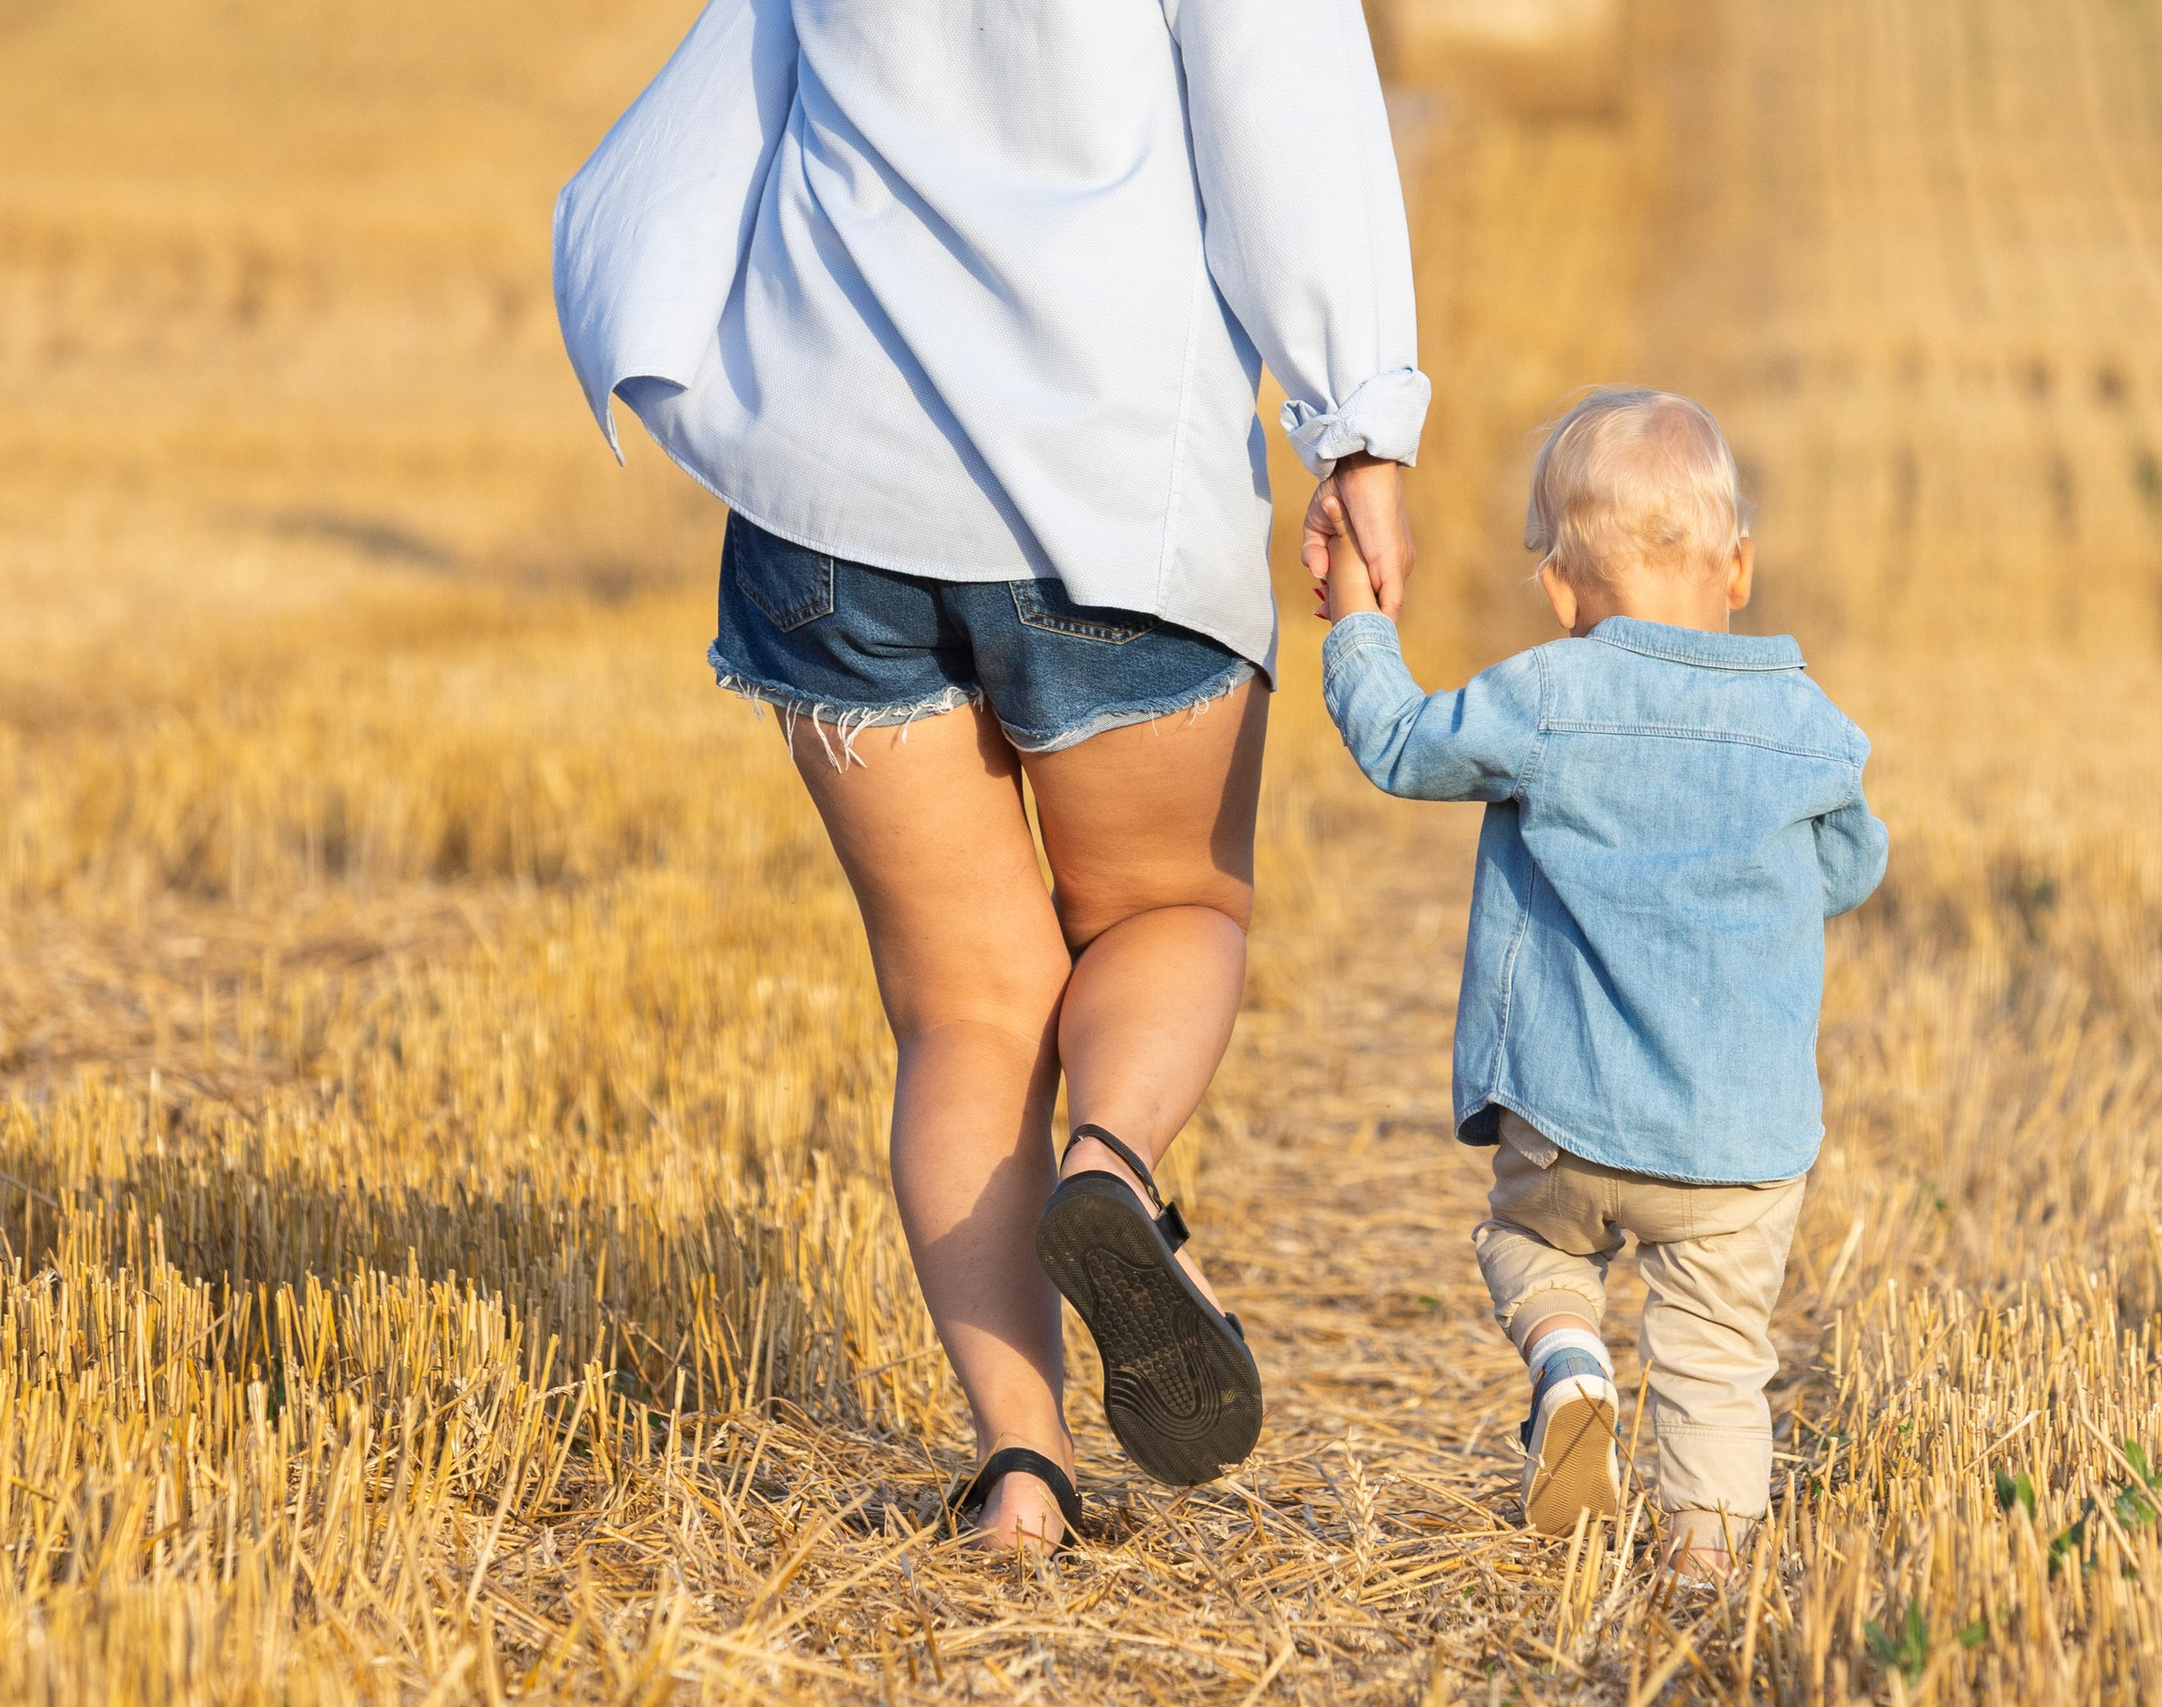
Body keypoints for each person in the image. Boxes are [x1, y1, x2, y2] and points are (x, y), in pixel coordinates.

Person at [552, 0, 1429, 1554]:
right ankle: (1111, 1161)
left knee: (962, 1002)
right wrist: (1358, 426)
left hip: (826, 512)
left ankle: (1022, 1471)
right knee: (1169, 908)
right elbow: (1284, 110)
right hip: (1102, 496)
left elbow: (715, 105)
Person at [1311, 388, 1887, 1577]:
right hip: (1734, 1143)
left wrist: (1356, 626)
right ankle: (1705, 1565)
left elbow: (1401, 745)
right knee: (1718, 1353)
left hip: (1568, 1119)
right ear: (1738, 568)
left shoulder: (1551, 697)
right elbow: (1848, 866)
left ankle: (1569, 1362)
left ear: (1562, 592)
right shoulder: (1807, 728)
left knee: (1529, 1248)